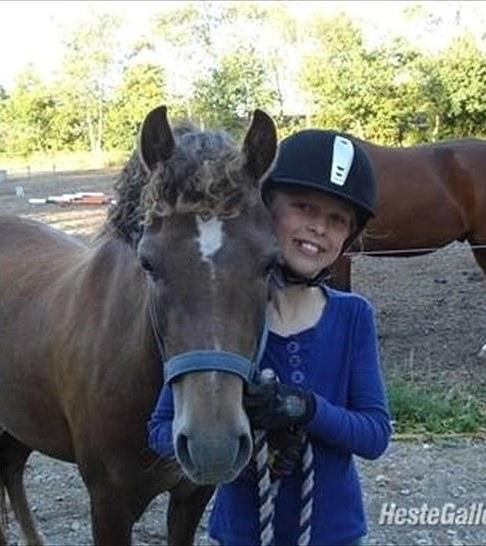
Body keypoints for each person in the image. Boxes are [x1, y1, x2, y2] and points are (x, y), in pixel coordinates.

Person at [148, 130, 392, 546]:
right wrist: (233, 454)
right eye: (303, 207)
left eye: (338, 220)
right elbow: (160, 427)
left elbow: (374, 433)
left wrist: (303, 408)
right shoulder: (225, 316)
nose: (318, 227)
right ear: (266, 210)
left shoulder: (353, 316)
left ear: (349, 236)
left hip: (333, 534)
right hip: (242, 534)